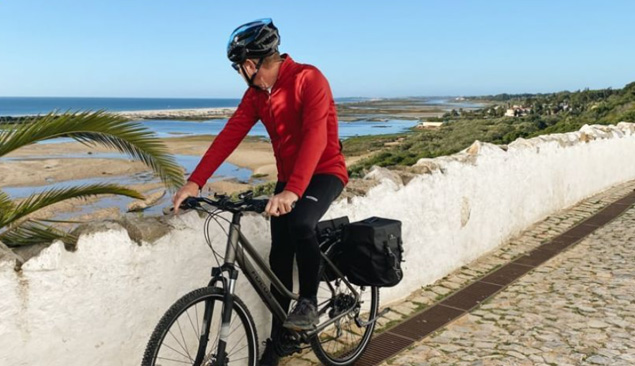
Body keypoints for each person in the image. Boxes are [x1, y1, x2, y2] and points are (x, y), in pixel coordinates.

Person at [171, 18, 348, 366]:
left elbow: (316, 136)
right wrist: (196, 181)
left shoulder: (309, 79)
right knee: (279, 256)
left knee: (300, 224)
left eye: (239, 67)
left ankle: (309, 303)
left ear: (250, 64)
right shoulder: (257, 96)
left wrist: (294, 191)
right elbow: (229, 135)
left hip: (324, 171)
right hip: (289, 181)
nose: (240, 73)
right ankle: (280, 340)